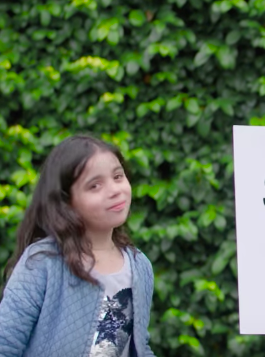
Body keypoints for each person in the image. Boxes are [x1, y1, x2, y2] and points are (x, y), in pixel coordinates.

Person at [0, 135, 156, 357]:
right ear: (66, 202)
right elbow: (4, 345)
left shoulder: (140, 265)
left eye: (118, 176)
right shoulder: (43, 263)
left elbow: (140, 346)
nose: (114, 190)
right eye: (94, 185)